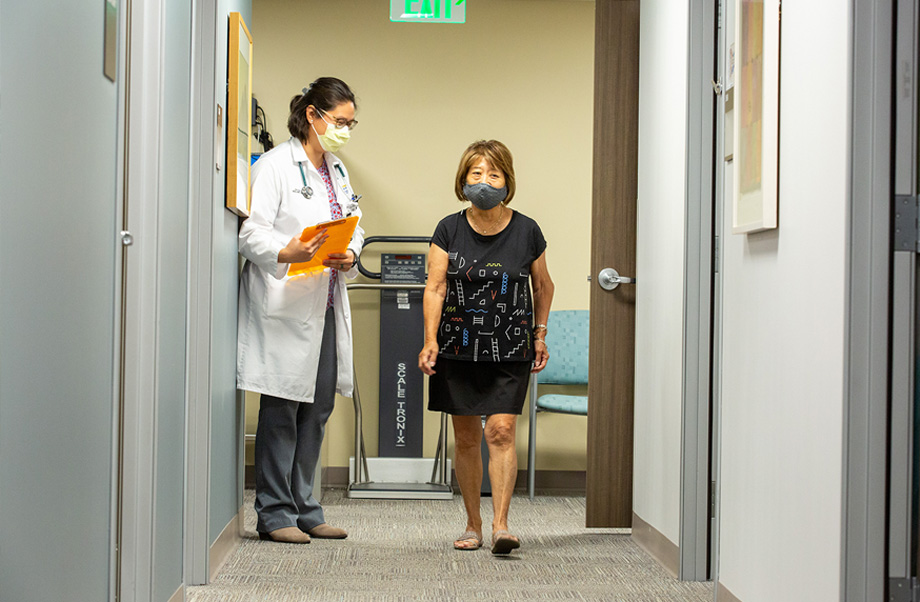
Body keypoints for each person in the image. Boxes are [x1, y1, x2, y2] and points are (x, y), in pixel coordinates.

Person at [237, 77, 364, 544]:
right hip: (286, 301)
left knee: (319, 406)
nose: (345, 131)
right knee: (283, 407)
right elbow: (251, 234)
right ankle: (274, 512)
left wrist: (351, 253)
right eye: (340, 122)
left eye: (351, 124)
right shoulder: (274, 166)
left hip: (326, 301)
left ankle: (306, 507)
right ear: (312, 115)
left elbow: (355, 227)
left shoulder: (338, 169)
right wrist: (288, 251)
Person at [418, 140, 554, 555]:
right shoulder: (448, 228)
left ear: (507, 181)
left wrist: (540, 333)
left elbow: (543, 285)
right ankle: (473, 523)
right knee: (465, 439)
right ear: (463, 181)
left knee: (501, 430)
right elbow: (436, 286)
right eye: (476, 174)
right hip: (457, 348)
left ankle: (501, 526)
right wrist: (429, 340)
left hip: (510, 346)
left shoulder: (527, 229)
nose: (484, 182)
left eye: (493, 174)